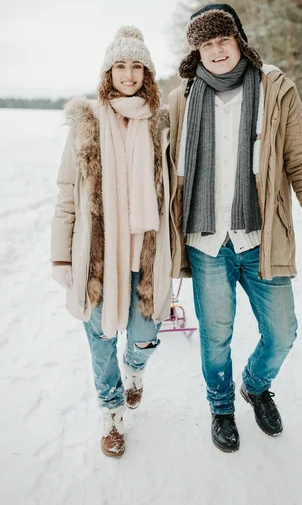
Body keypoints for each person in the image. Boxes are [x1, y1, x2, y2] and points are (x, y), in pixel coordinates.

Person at [168, 4, 302, 453]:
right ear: (197, 51)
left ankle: (255, 386)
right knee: (215, 333)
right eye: (207, 43)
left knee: (283, 332)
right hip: (206, 241)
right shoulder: (181, 99)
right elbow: (159, 167)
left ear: (239, 40)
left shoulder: (274, 88)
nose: (217, 50)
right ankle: (221, 407)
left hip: (261, 238)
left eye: (223, 40)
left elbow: (301, 160)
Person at [51, 26, 172, 458]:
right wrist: (61, 256)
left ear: (147, 72)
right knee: (101, 342)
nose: (128, 74)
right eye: (120, 65)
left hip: (147, 252)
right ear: (108, 71)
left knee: (143, 335)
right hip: (99, 258)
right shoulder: (87, 122)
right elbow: (68, 192)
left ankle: (135, 371)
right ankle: (112, 411)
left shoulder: (160, 122)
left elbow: (173, 192)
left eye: (136, 65)